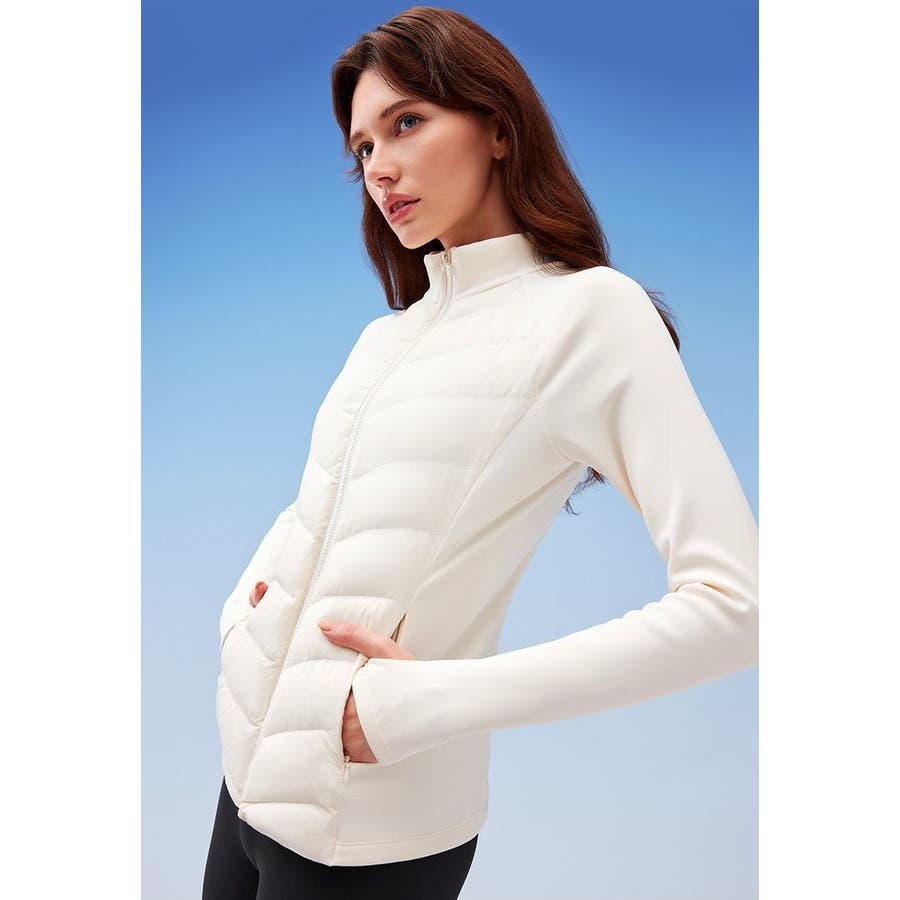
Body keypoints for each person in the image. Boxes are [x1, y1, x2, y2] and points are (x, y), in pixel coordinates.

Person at [203, 6, 758, 898]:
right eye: (362, 148)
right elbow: (322, 515)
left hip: (368, 830)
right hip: (248, 780)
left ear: (498, 126)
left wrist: (428, 704)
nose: (379, 167)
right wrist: (244, 614)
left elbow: (739, 606)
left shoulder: (587, 314)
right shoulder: (387, 338)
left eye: (406, 123)